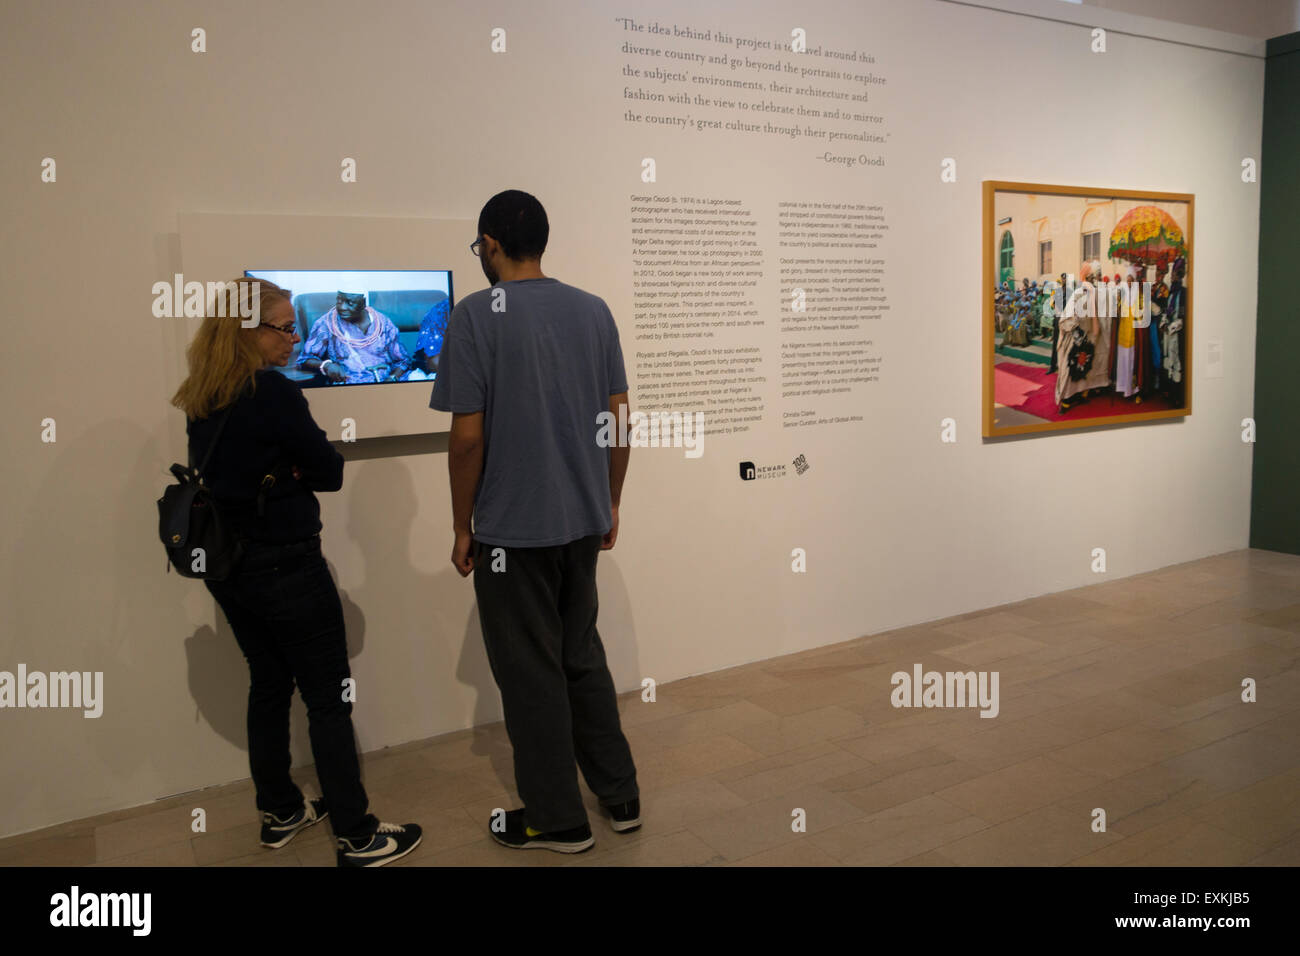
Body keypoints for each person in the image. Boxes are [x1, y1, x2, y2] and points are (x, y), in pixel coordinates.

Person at [171, 278, 422, 867]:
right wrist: (290, 473)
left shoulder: (201, 396)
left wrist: (286, 472)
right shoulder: (273, 395)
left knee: (268, 683)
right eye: (284, 328)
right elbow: (329, 469)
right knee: (329, 697)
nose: (296, 338)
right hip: (286, 561)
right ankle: (357, 836)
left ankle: (280, 810)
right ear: (248, 332)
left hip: (229, 568)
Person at [430, 189, 640, 853]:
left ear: (490, 245)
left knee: (530, 673)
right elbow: (620, 420)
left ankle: (556, 818)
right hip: (581, 518)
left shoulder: (474, 316)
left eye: (479, 247)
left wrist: (463, 526)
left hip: (510, 532)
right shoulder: (592, 311)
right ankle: (620, 795)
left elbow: (467, 440)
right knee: (581, 657)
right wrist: (609, 500)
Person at [297, 291, 411, 384]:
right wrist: (326, 365)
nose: (342, 307)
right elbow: (305, 359)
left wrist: (392, 379)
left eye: (350, 303)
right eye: (339, 301)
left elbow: (403, 360)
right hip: (349, 388)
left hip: (387, 385)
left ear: (363, 303)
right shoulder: (326, 324)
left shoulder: (384, 324)